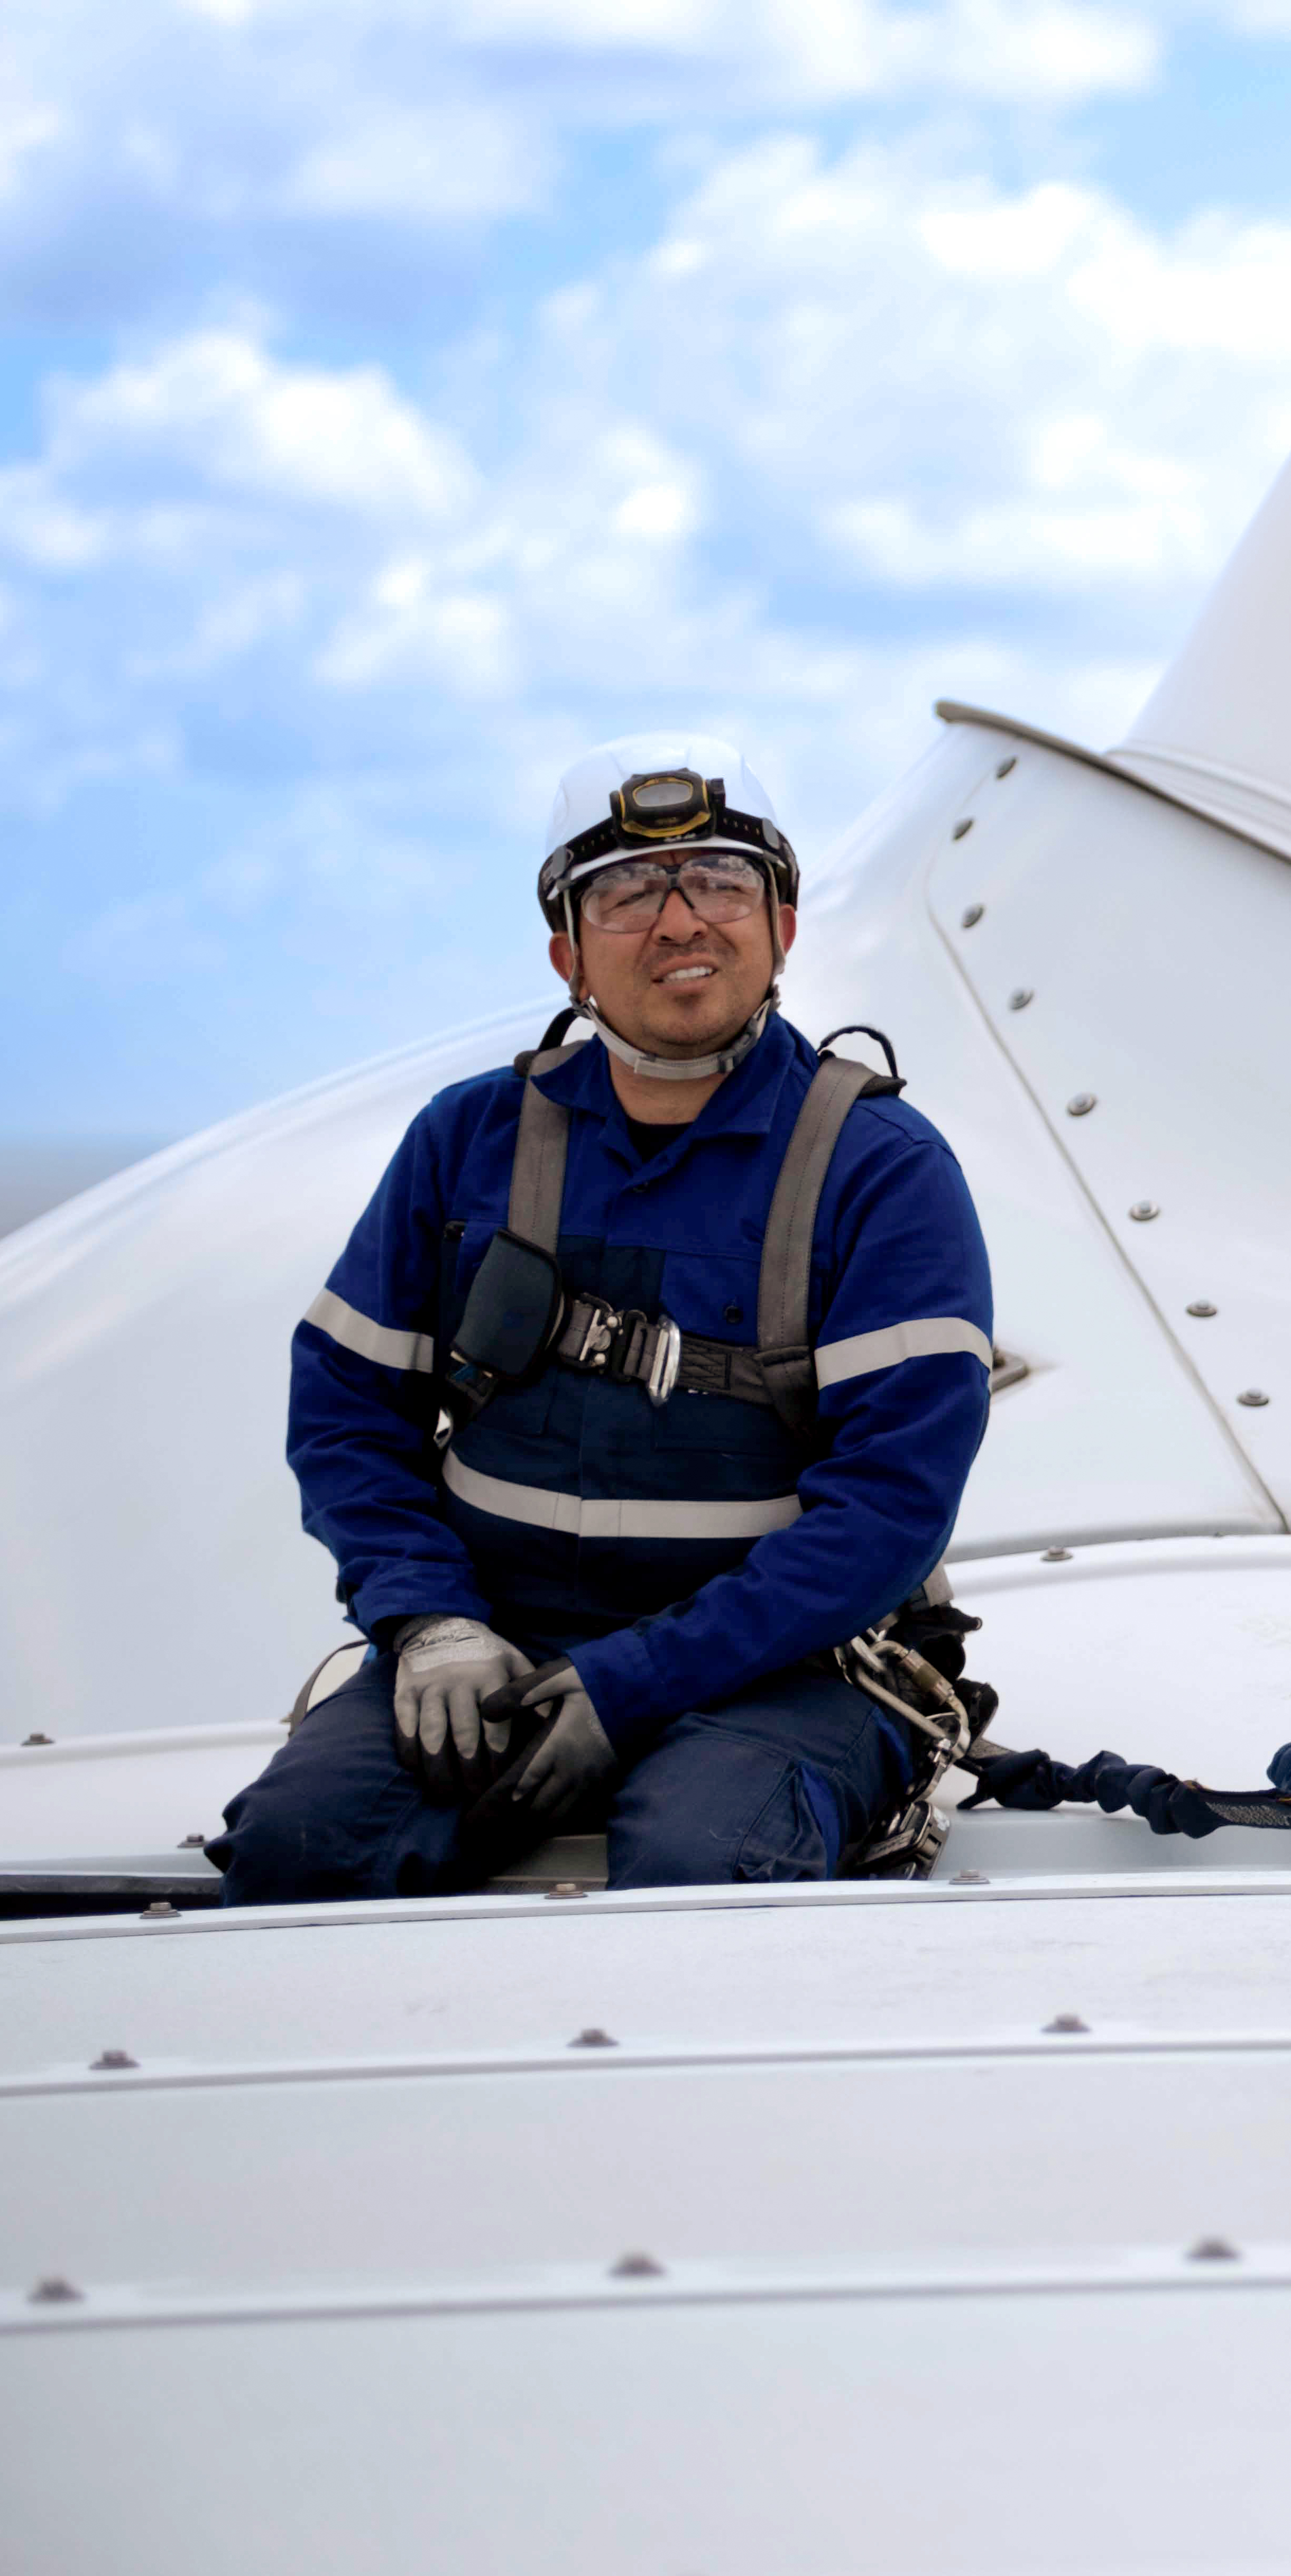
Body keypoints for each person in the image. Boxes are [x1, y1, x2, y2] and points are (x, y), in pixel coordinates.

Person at [214, 735, 995, 1898]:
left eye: (723, 882)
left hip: (781, 1665)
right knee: (298, 1853)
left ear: (782, 926)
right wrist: (431, 1621)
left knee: (704, 1869)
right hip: (497, 1641)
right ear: (568, 952)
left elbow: (890, 1512)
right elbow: (345, 1412)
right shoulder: (466, 1142)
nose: (682, 920)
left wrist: (631, 1680)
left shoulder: (880, 1170)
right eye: (628, 893)